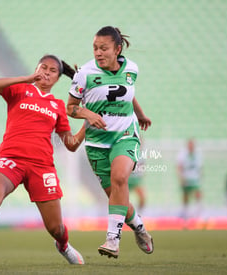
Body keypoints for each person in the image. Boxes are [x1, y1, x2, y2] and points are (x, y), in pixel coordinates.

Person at [0, 55, 85, 267]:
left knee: (56, 228)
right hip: (11, 158)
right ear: (36, 69)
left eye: (52, 70)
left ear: (57, 78)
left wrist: (87, 125)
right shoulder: (20, 89)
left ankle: (63, 245)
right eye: (43, 67)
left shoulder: (57, 105)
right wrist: (26, 78)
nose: (46, 72)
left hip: (42, 166)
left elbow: (70, 144)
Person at [66, 26, 154, 259]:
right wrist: (88, 114)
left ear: (117, 49)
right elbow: (71, 108)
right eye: (95, 48)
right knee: (118, 198)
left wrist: (141, 114)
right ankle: (140, 228)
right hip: (96, 143)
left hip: (125, 134)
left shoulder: (132, 68)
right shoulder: (84, 73)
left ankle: (112, 240)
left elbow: (128, 92)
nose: (98, 52)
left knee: (120, 178)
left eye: (103, 48)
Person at [177, 138, 203, 219]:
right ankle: (185, 213)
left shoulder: (198, 154)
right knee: (186, 196)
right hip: (186, 178)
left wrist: (200, 176)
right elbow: (179, 166)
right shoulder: (183, 154)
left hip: (195, 178)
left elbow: (200, 167)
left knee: (198, 194)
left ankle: (198, 213)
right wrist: (181, 177)